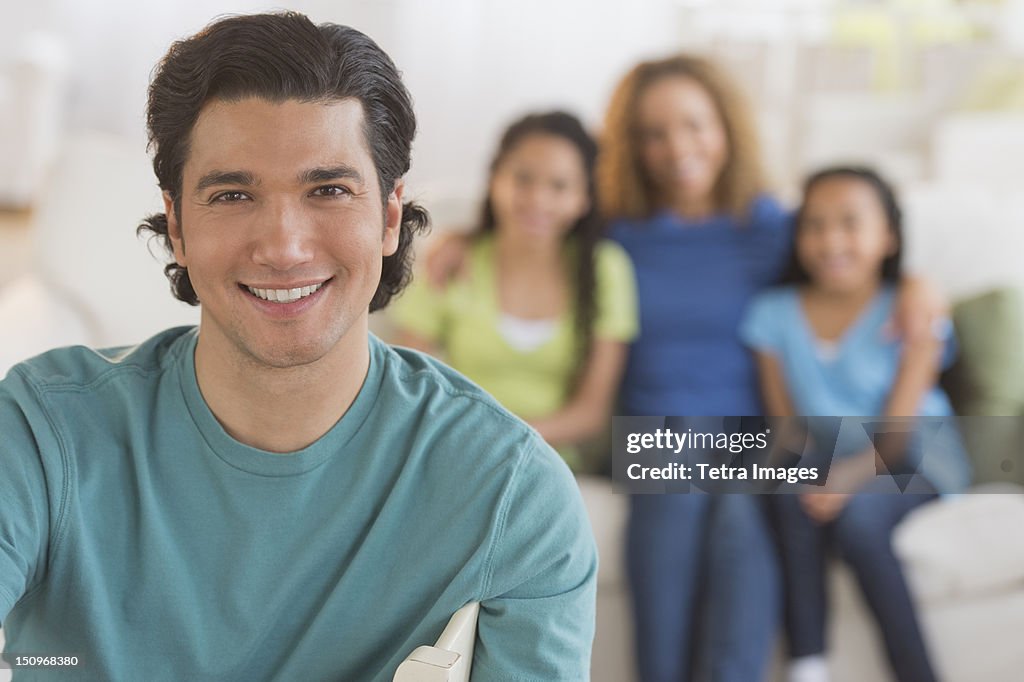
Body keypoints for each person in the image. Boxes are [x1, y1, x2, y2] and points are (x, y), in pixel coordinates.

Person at [0, 12, 596, 681]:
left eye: (329, 190)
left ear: (391, 217)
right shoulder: (38, 431)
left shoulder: (511, 496)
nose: (284, 246)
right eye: (232, 193)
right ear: (177, 224)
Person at [597, 55, 945, 682]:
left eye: (695, 124)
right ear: (633, 146)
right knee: (676, 484)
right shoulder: (615, 233)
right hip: (658, 432)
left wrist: (920, 284)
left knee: (741, 514)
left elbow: (852, 258)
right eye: (653, 132)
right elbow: (523, 236)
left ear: (727, 127)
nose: (677, 147)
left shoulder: (771, 228)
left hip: (750, 437)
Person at [740, 167, 970, 682]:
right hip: (830, 452)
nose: (831, 240)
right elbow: (790, 428)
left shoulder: (912, 312)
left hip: (913, 454)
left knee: (860, 521)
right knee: (786, 492)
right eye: (815, 225)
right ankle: (808, 664)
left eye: (850, 223)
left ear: (887, 236)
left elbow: (898, 437)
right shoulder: (772, 315)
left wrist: (844, 482)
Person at [392, 111, 637, 472]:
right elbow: (406, 384)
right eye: (523, 179)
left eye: (559, 186)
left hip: (548, 463)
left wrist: (505, 441)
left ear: (584, 198)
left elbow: (591, 414)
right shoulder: (451, 261)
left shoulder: (607, 269)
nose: (538, 199)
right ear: (494, 180)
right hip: (461, 454)